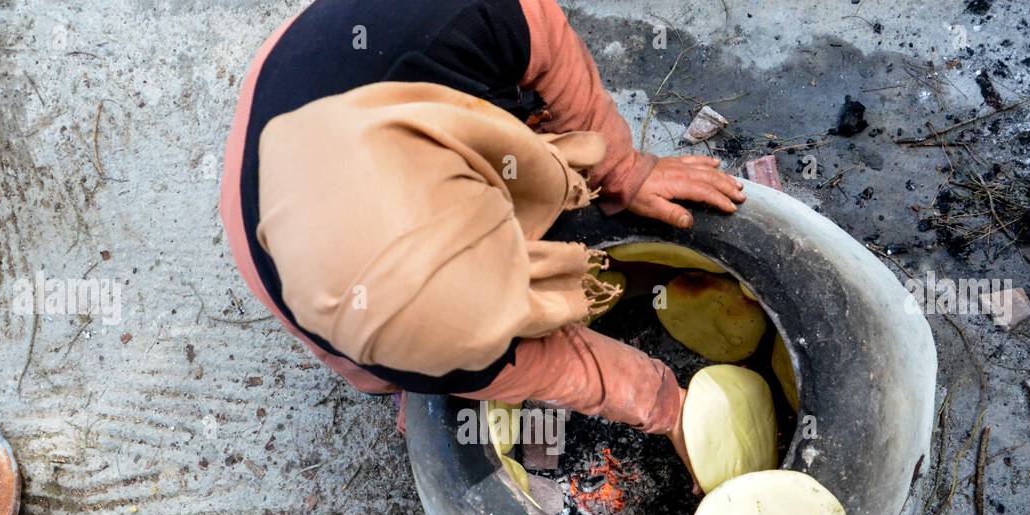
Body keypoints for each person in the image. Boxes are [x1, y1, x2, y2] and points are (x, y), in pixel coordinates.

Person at [220, 0, 745, 468]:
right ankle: (410, 381)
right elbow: (547, 366)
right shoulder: (348, 317)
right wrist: (666, 406)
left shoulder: (466, 18)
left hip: (338, 58)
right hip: (266, 203)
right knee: (409, 366)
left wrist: (625, 170)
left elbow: (546, 38)